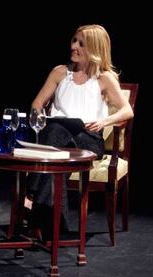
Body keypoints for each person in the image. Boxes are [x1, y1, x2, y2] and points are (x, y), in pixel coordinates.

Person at [25, 24, 134, 240]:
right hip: (57, 141)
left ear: (94, 48)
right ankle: (55, 229)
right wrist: (39, 115)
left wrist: (105, 120)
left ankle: (29, 195)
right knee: (57, 143)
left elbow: (127, 110)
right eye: (74, 40)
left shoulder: (104, 78)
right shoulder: (59, 72)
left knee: (56, 133)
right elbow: (37, 103)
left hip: (88, 140)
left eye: (81, 44)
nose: (74, 46)